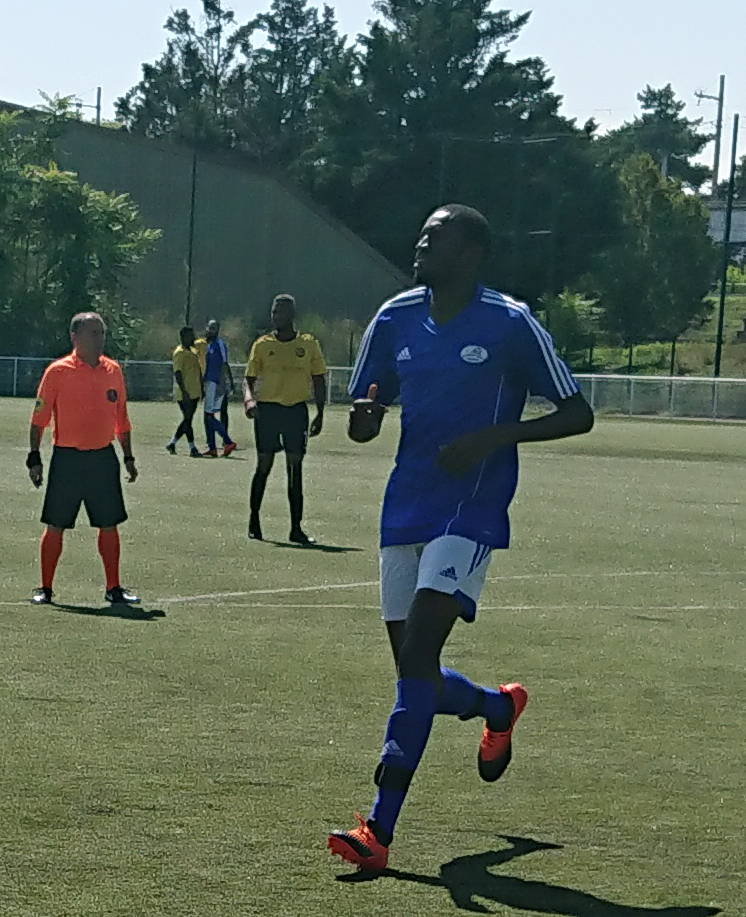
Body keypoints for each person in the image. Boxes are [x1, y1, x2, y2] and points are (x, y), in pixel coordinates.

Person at [327, 204, 593, 874]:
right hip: (404, 507)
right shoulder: (392, 318)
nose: (421, 242)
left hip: (470, 508)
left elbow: (577, 411)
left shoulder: (510, 322)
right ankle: (497, 706)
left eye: (437, 236)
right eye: (420, 232)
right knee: (414, 675)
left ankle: (377, 830)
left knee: (419, 654)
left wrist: (493, 438)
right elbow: (366, 423)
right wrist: (363, 418)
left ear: (473, 252)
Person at [27, 312, 139, 606]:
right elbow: (39, 418)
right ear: (75, 338)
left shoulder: (113, 370)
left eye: (101, 333)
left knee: (109, 523)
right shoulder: (57, 372)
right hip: (68, 459)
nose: (100, 339)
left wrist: (128, 456)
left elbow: (122, 419)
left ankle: (114, 588)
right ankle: (45, 588)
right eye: (93, 334)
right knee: (55, 524)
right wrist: (34, 457)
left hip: (103, 458)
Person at [243, 294, 327, 544]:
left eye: (280, 312)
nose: (275, 316)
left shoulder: (308, 344)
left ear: (291, 315)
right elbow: (248, 380)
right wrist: (249, 401)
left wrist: (320, 413)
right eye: (273, 312)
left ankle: (296, 528)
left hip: (295, 411)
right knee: (264, 466)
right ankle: (254, 519)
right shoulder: (262, 344)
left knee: (295, 468)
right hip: (267, 411)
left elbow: (319, 378)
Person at [200, 319, 237, 456]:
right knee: (207, 416)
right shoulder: (208, 345)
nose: (211, 330)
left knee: (209, 416)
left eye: (214, 328)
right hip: (209, 382)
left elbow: (225, 364)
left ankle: (227, 441)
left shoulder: (220, 344)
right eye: (209, 328)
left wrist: (226, 383)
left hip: (215, 383)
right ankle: (212, 447)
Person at [167, 325, 205, 457]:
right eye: (190, 335)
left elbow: (198, 370)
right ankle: (192, 447)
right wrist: (184, 391)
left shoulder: (193, 351)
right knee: (188, 419)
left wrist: (201, 387)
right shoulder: (179, 352)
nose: (192, 337)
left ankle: (172, 443)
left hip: (194, 390)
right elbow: (177, 373)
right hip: (186, 392)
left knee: (188, 419)